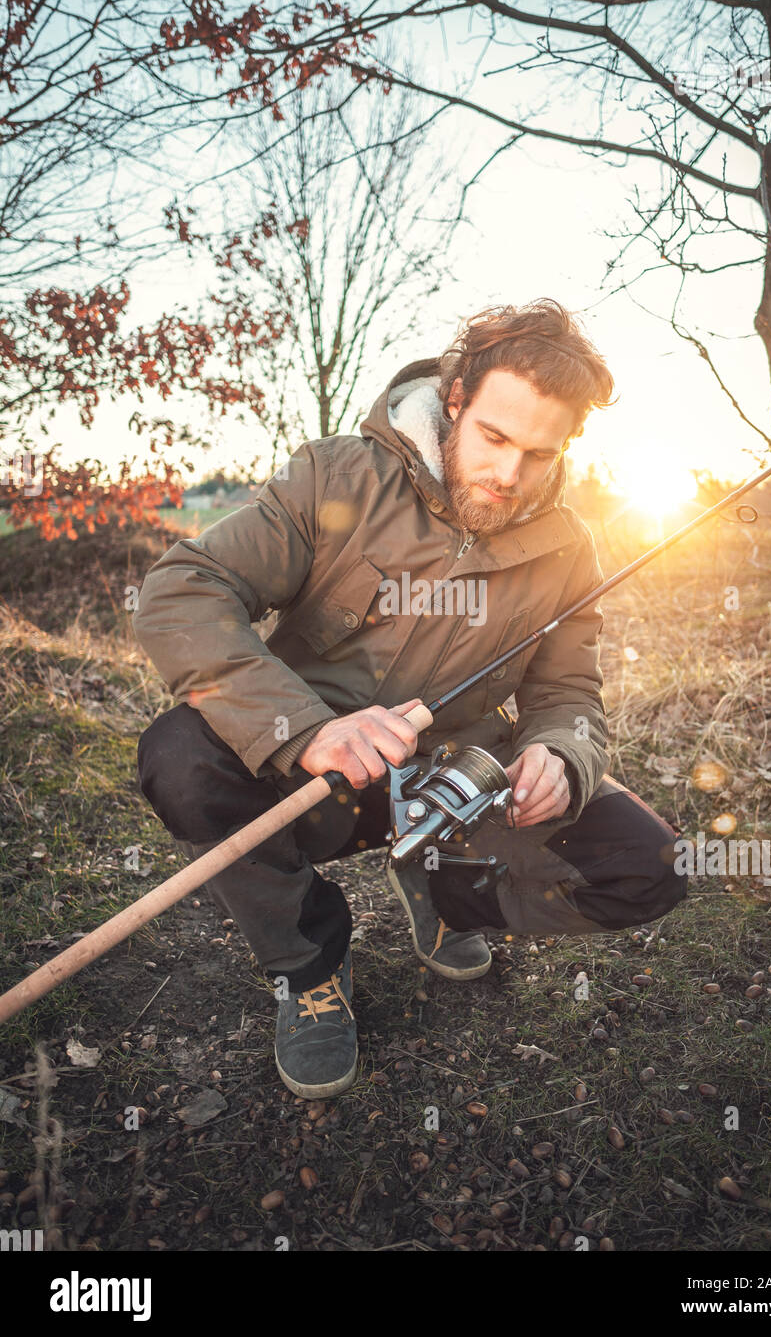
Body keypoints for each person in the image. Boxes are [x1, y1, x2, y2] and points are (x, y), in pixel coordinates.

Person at [134, 299, 686, 1100]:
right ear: (456, 397)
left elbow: (567, 690)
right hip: (309, 779)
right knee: (179, 758)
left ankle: (447, 893)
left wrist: (563, 755)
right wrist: (305, 731)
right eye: (495, 438)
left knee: (650, 867)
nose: (509, 474)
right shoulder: (334, 476)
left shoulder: (569, 547)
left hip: (455, 789)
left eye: (539, 453)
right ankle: (307, 963)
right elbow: (184, 591)